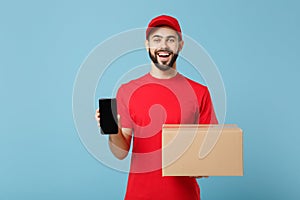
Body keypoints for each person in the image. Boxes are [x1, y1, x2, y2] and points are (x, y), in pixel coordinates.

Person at [95, 15, 218, 200]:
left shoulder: (200, 93)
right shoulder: (128, 91)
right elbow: (120, 153)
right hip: (139, 195)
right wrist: (113, 130)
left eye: (171, 40)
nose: (164, 46)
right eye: (157, 40)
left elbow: (210, 153)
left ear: (180, 45)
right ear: (147, 45)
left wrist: (203, 166)